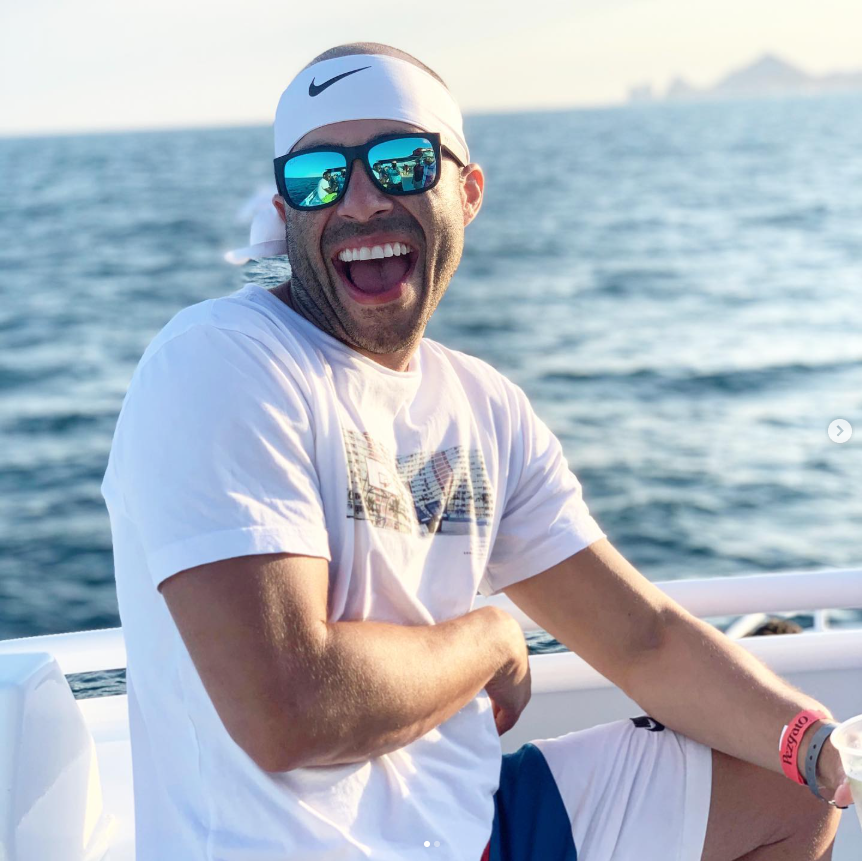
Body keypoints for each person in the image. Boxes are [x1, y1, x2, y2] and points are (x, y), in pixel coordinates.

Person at [101, 42, 852, 861]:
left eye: (399, 162)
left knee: (788, 789)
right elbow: (288, 708)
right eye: (318, 176)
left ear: (468, 191)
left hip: (469, 824)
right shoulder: (219, 362)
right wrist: (493, 637)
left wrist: (817, 746)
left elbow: (644, 636)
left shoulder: (483, 404)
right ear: (285, 211)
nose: (357, 203)